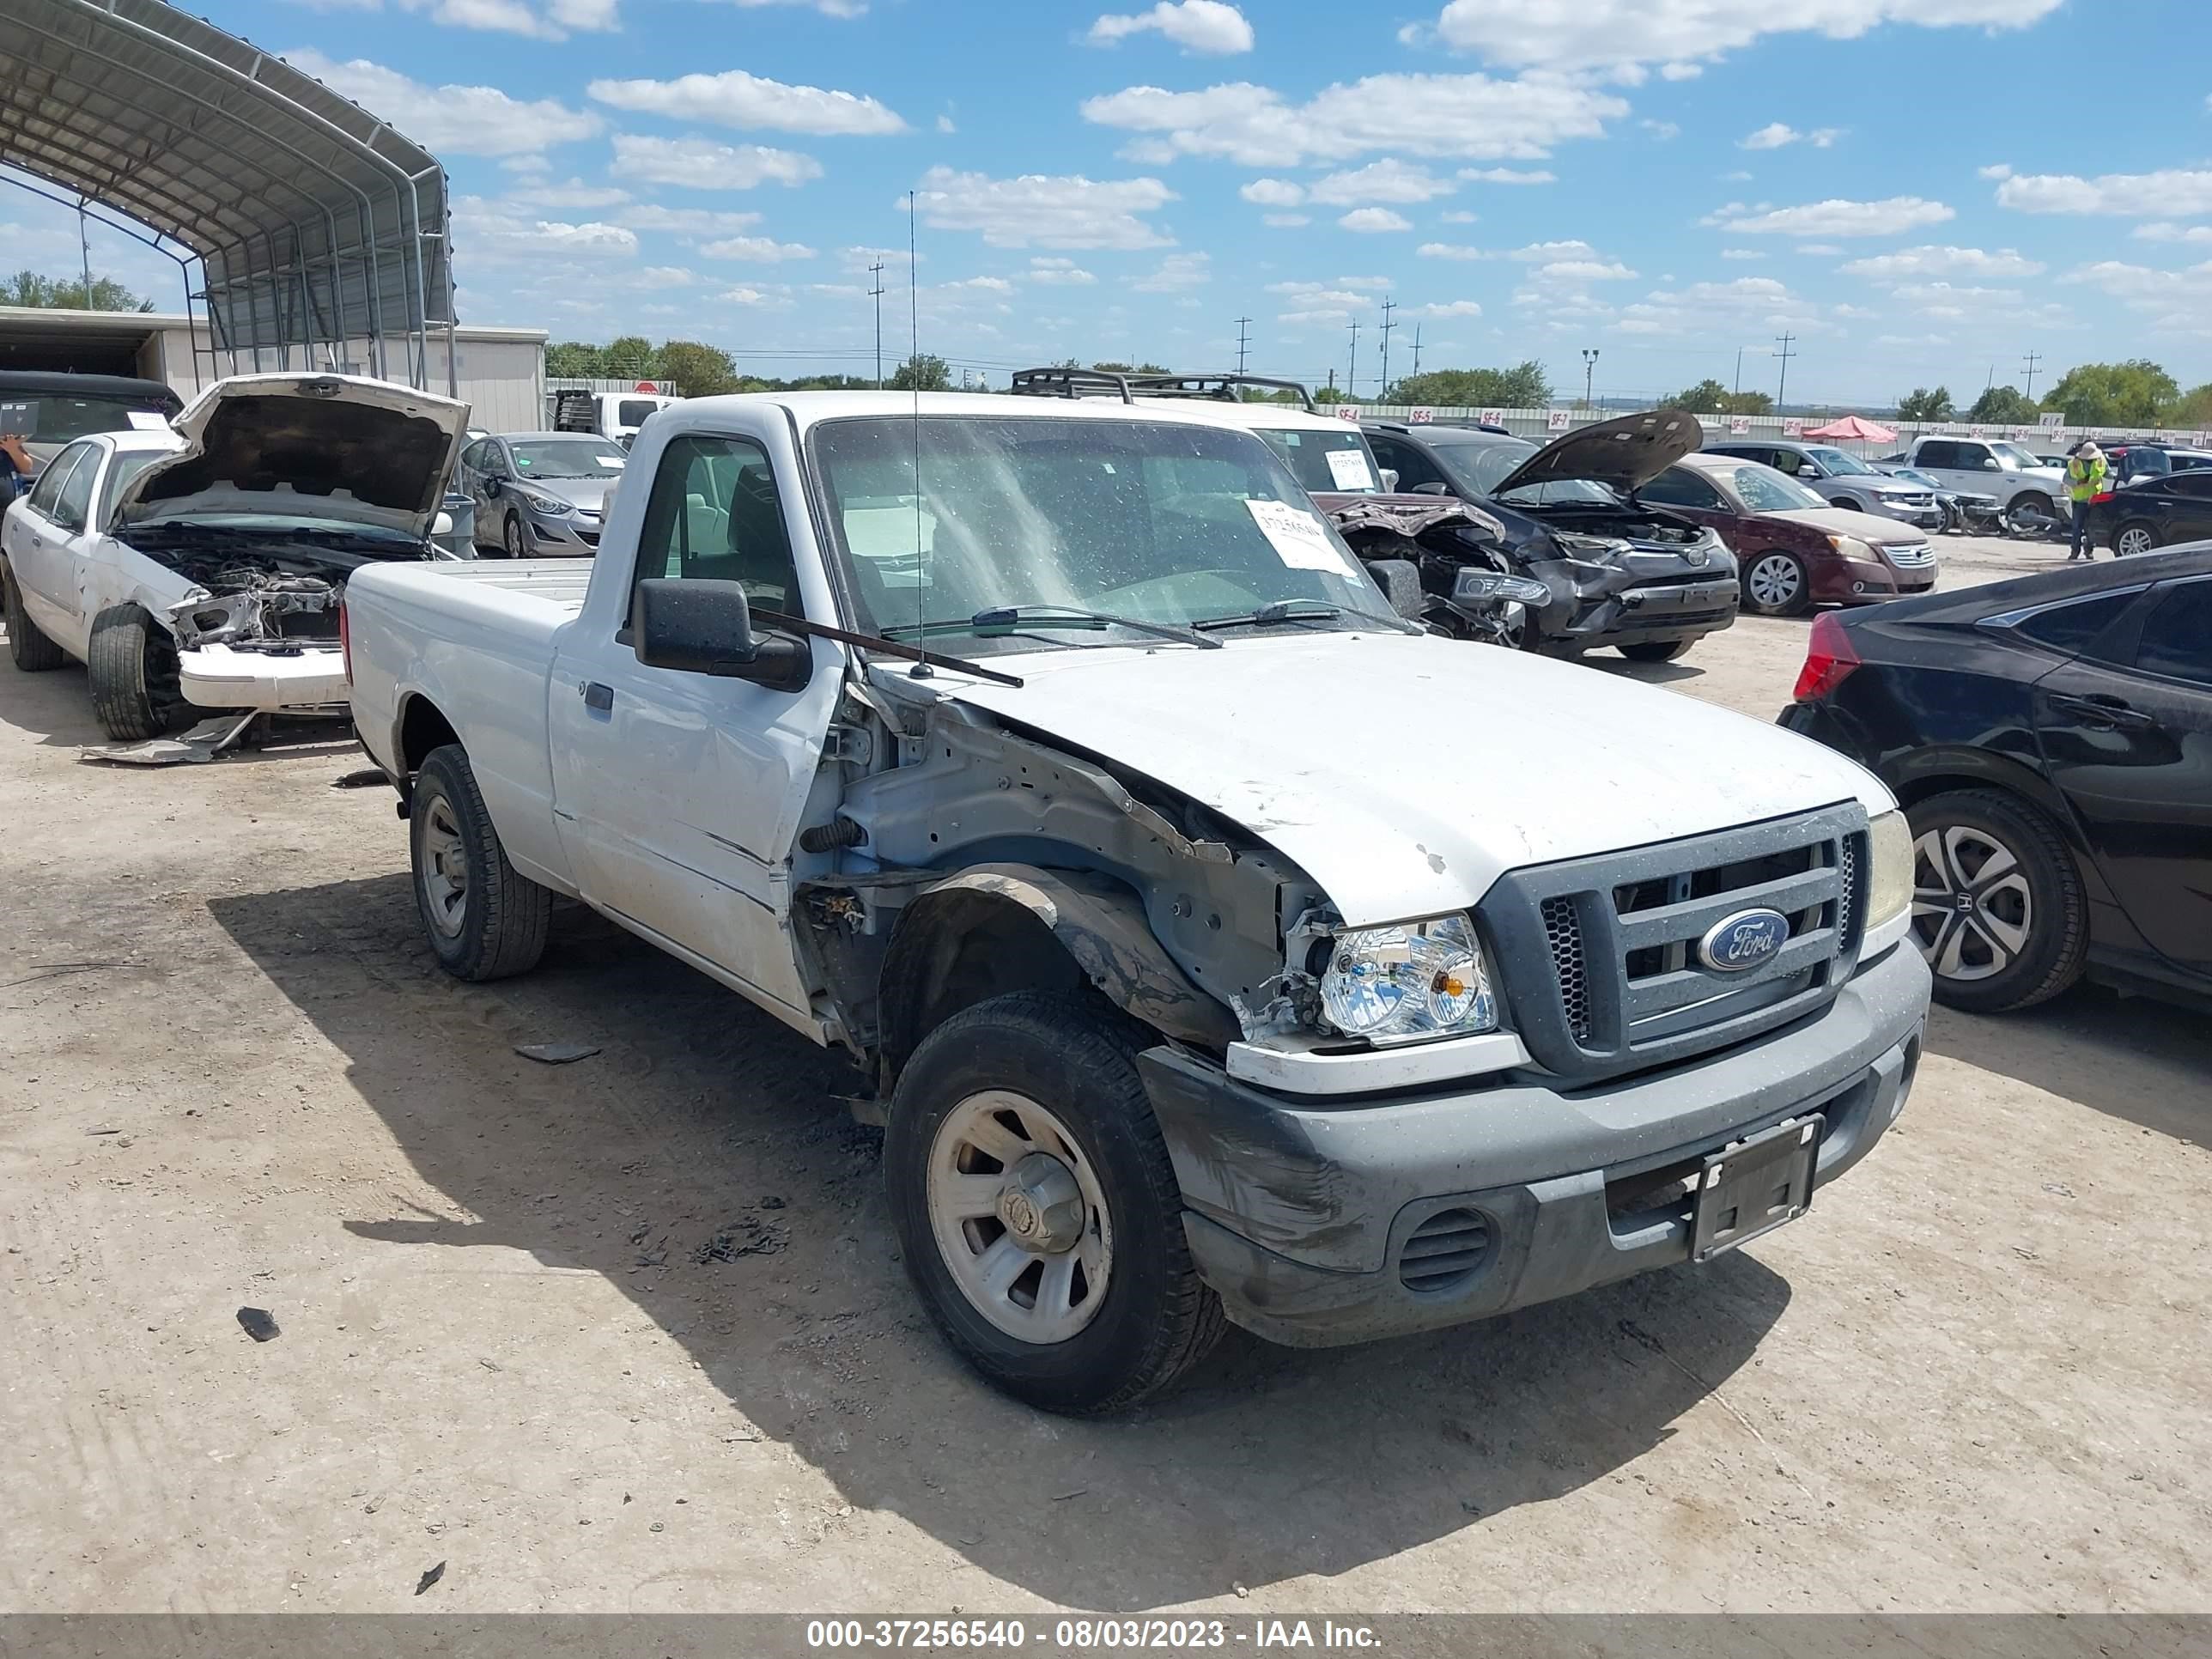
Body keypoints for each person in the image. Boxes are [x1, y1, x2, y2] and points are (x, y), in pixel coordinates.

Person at [2065, 441, 2107, 561]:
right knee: (2077, 527)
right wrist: (2078, 482)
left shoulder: (2101, 461)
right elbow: (2066, 479)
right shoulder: (2074, 464)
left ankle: (2089, 551)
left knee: (2091, 527)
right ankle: (2075, 551)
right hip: (2080, 501)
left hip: (2095, 500)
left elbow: (2108, 473)